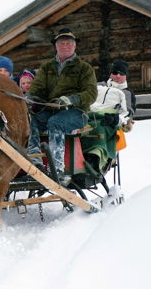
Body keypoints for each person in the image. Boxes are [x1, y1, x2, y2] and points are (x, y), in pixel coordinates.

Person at [26, 28, 98, 185]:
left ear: (74, 46)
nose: (65, 46)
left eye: (68, 43)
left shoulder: (84, 68)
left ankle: (57, 169)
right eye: (61, 43)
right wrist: (29, 97)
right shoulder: (47, 67)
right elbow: (37, 88)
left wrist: (71, 99)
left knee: (55, 122)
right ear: (56, 46)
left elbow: (91, 94)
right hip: (51, 111)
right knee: (31, 118)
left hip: (77, 113)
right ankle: (35, 160)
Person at [98, 59, 136, 131]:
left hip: (112, 127)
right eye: (115, 72)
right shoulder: (100, 86)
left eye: (121, 73)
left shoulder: (127, 93)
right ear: (110, 74)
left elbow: (128, 113)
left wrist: (114, 119)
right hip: (91, 120)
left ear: (125, 76)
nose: (118, 76)